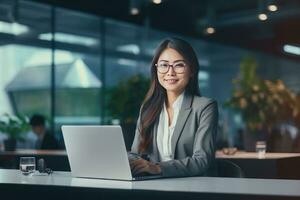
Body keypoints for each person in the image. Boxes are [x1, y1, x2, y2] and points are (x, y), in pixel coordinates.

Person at [130, 37, 218, 178]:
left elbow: (202, 160)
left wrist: (157, 168)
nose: (170, 72)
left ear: (192, 70)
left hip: (193, 189)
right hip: (153, 187)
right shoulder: (147, 109)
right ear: (156, 68)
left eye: (179, 65)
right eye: (164, 65)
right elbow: (135, 154)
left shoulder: (205, 107)